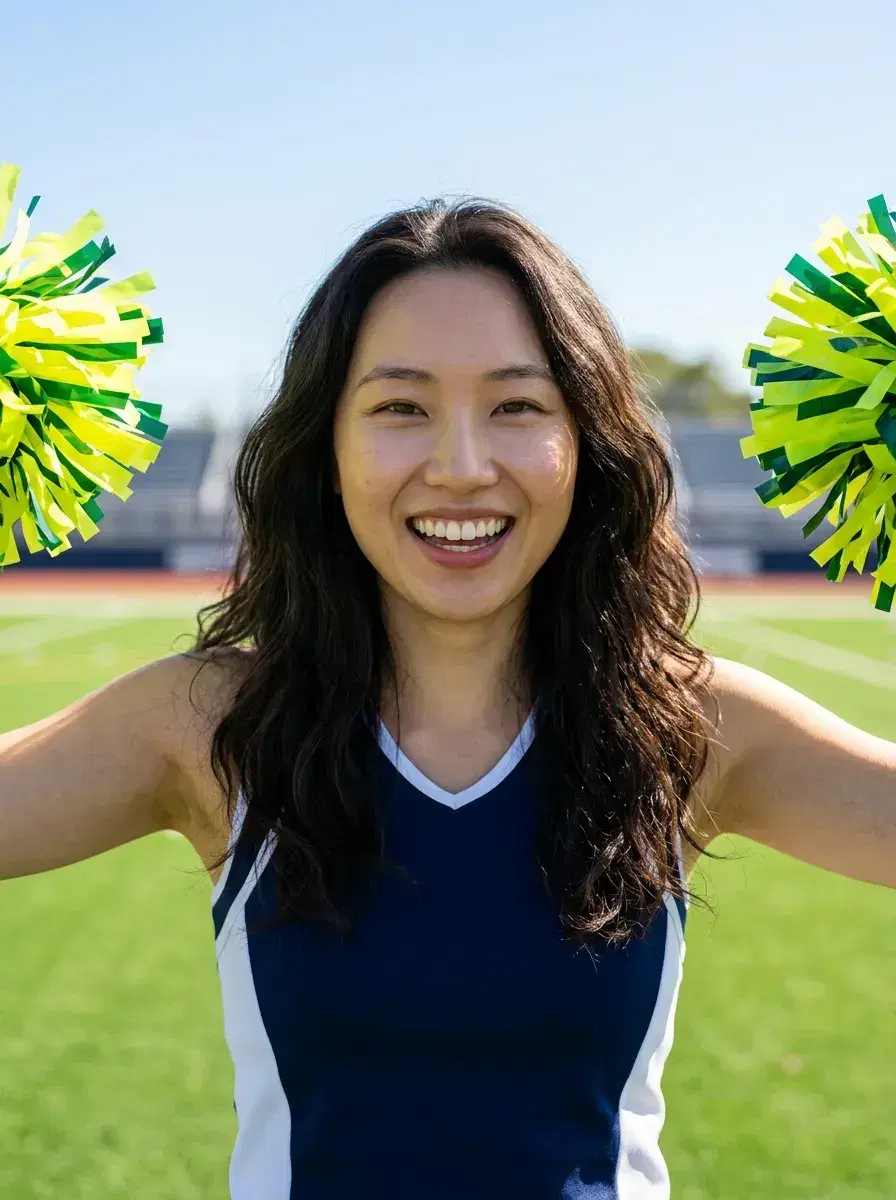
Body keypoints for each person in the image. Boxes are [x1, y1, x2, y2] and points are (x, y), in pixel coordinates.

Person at [1, 197, 894, 1200]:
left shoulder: (695, 730)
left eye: (516, 406)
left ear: (583, 442)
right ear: (326, 448)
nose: (461, 467)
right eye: (399, 407)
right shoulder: (207, 729)